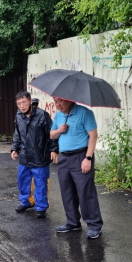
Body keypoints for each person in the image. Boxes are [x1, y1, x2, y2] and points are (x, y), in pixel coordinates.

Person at [50, 97, 103, 238]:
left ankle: (94, 225)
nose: (58, 104)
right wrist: (59, 130)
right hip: (64, 158)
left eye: (60, 101)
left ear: (70, 100)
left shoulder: (85, 113)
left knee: (85, 191)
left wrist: (88, 158)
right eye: (55, 101)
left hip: (81, 156)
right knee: (67, 191)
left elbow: (93, 136)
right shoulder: (59, 115)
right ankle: (73, 223)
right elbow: (52, 134)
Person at [10, 91, 55, 218]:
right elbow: (17, 134)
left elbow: (51, 134)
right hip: (25, 155)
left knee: (40, 181)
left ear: (30, 101)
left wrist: (54, 150)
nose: (21, 106)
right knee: (23, 180)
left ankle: (41, 207)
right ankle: (26, 202)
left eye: (24, 102)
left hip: (40, 155)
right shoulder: (19, 115)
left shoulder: (42, 115)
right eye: (19, 104)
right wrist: (15, 148)